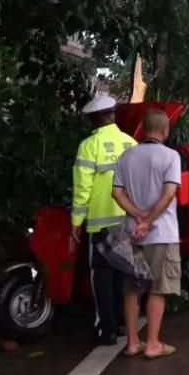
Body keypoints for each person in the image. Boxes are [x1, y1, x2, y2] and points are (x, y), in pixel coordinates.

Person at [111, 108, 182, 358]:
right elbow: (169, 193)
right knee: (158, 289)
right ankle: (152, 343)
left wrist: (137, 216)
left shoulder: (126, 156)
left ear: (143, 128)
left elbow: (117, 192)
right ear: (165, 130)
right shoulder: (171, 156)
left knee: (132, 289)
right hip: (161, 234)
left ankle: (132, 342)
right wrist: (149, 219)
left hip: (131, 234)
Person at [71, 94, 137, 345]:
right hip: (127, 221)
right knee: (122, 273)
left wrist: (76, 221)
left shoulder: (89, 146)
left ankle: (106, 329)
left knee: (101, 277)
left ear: (93, 120)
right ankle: (122, 323)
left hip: (100, 222)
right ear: (112, 115)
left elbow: (82, 188)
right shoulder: (131, 143)